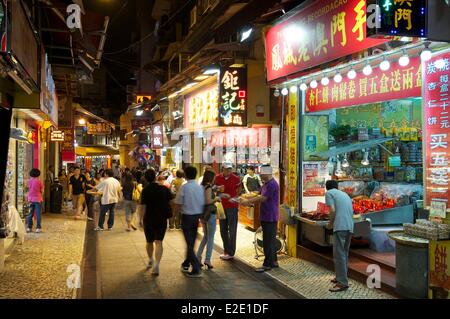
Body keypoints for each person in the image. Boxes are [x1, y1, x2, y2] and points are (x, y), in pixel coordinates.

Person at [240, 165, 280, 272]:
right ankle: (274, 261)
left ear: (267, 173)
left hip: (270, 216)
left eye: (262, 173)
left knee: (268, 241)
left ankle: (267, 264)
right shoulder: (266, 184)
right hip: (266, 215)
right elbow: (259, 193)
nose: (260, 175)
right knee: (270, 240)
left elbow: (262, 198)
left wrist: (248, 201)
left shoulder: (272, 184)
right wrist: (247, 197)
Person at [137, 168, 174, 276]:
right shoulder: (164, 189)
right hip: (161, 219)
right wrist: (172, 215)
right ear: (155, 177)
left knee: (149, 242)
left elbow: (142, 206)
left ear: (145, 178)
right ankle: (157, 265)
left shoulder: (145, 190)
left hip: (148, 219)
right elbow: (172, 202)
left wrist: (139, 220)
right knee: (159, 242)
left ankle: (150, 259)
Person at [322, 180, 354, 292]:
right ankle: (340, 277)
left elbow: (332, 210)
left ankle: (342, 283)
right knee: (344, 254)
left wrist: (330, 224)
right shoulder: (344, 194)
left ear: (327, 188)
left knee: (339, 254)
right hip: (350, 226)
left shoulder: (329, 193)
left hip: (340, 226)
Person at [175, 166, 205, 278]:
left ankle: (196, 268)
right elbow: (202, 202)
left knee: (189, 243)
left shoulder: (184, 187)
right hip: (197, 217)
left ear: (186, 175)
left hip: (187, 217)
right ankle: (186, 263)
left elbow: (178, 203)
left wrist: (174, 215)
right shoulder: (199, 187)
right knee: (191, 242)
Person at [196, 170, 223, 269]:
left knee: (206, 236)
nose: (215, 179)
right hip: (209, 213)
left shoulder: (201, 186)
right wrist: (216, 199)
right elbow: (208, 201)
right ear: (211, 178)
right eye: (214, 177)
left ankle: (198, 257)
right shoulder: (208, 187)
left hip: (202, 214)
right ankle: (207, 259)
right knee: (210, 237)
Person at [215, 163, 241, 260]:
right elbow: (213, 190)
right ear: (223, 169)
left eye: (230, 169)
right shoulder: (217, 178)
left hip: (232, 206)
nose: (228, 171)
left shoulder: (236, 178)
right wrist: (218, 190)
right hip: (221, 206)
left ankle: (231, 252)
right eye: (226, 169)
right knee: (223, 229)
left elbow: (239, 191)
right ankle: (226, 250)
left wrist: (236, 198)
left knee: (232, 229)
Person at [26, 168, 44, 233]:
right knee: (38, 214)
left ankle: (29, 227)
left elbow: (27, 189)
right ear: (38, 174)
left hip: (30, 199)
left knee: (30, 214)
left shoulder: (29, 181)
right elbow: (42, 191)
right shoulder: (39, 181)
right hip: (38, 200)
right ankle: (38, 228)